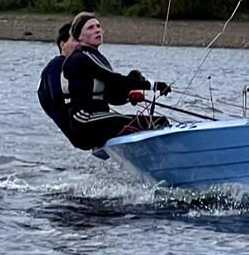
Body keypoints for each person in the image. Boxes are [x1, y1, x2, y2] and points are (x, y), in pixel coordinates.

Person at [62, 12, 172, 151]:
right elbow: (115, 79)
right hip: (84, 120)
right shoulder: (81, 58)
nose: (97, 30)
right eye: (90, 28)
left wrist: (128, 95)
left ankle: (156, 160)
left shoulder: (97, 58)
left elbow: (112, 96)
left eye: (98, 26)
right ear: (79, 36)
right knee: (154, 124)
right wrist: (154, 85)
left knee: (159, 122)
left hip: (99, 117)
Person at [37, 22, 79, 142]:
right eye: (75, 40)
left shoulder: (76, 67)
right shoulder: (56, 66)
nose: (81, 44)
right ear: (63, 44)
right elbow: (58, 96)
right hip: (79, 128)